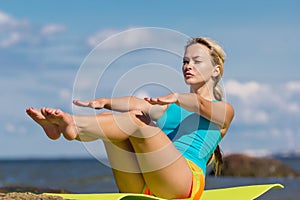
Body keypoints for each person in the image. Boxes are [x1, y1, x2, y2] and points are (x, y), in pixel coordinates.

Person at [26, 37, 234, 199]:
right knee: (114, 125)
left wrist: (178, 97)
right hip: (145, 187)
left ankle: (73, 125)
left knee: (136, 122)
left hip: (183, 185)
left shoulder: (223, 110)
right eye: (185, 61)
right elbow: (136, 103)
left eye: (197, 61)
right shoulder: (168, 106)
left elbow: (202, 105)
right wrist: (105, 101)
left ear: (216, 70)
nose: (188, 65)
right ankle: (64, 128)